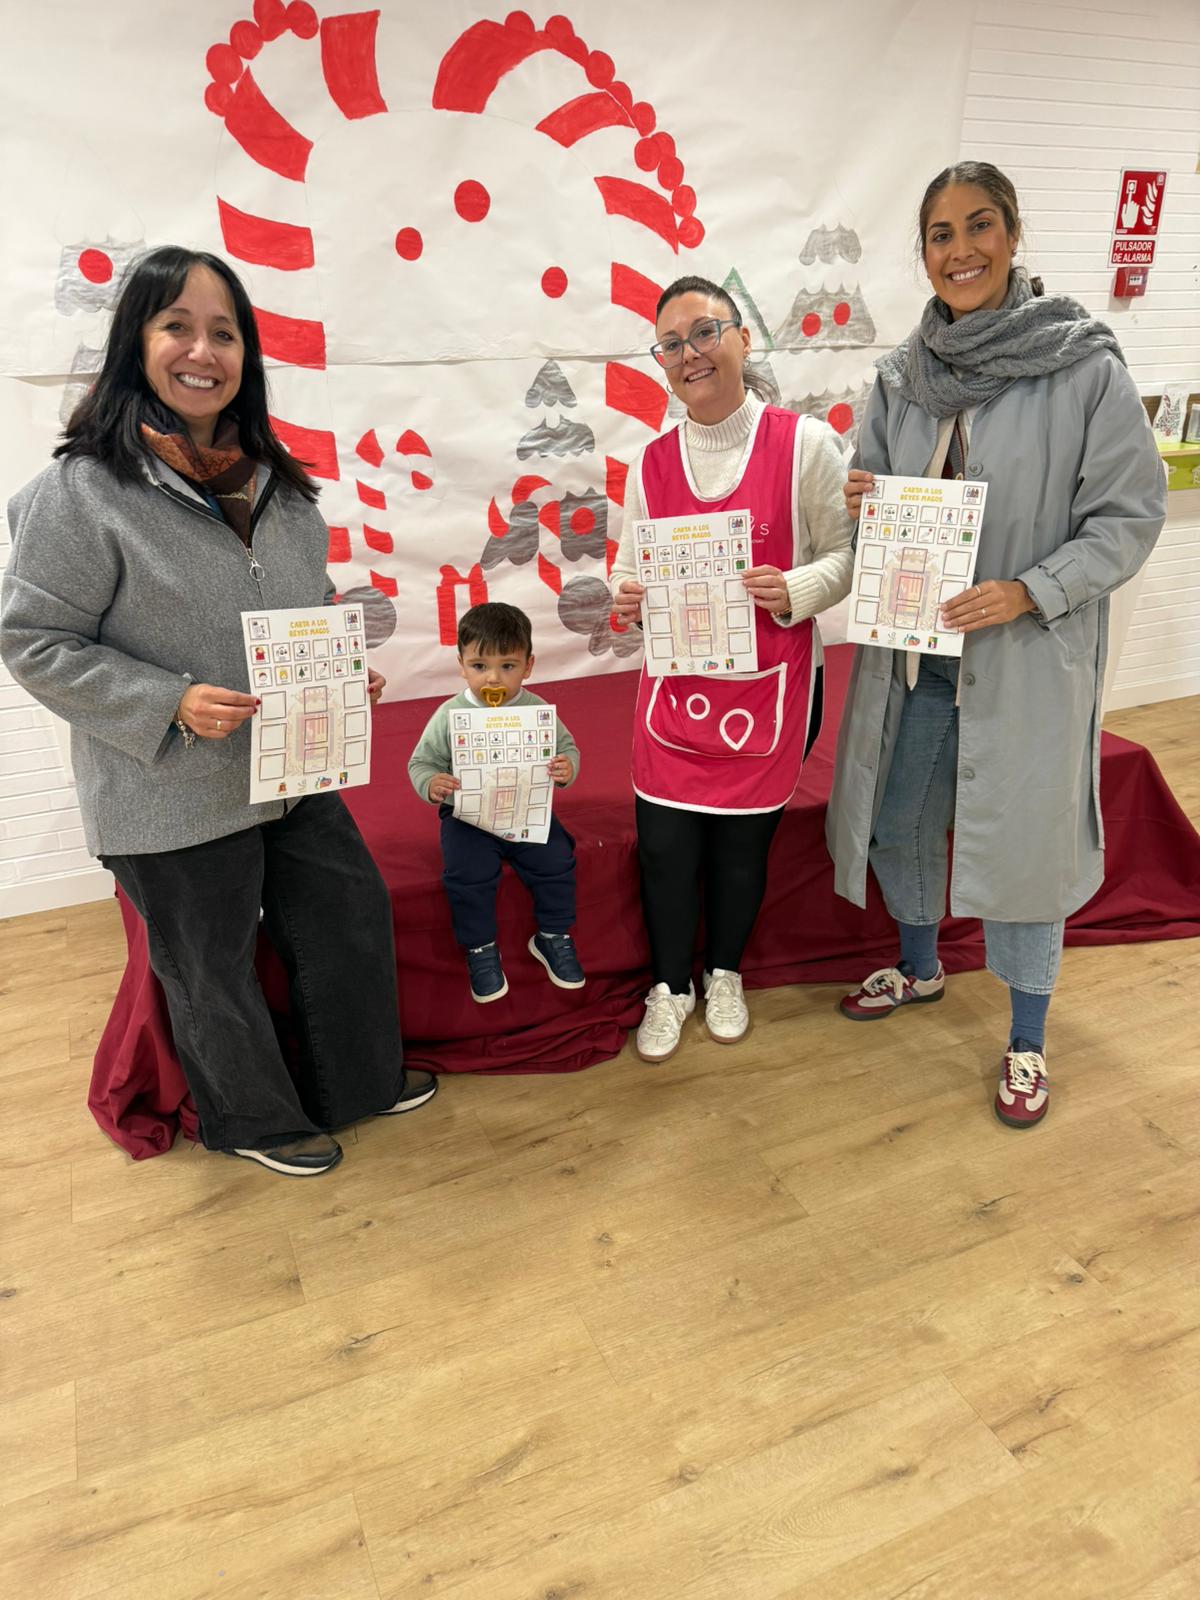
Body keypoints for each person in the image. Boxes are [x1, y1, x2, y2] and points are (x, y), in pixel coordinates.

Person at [1, 246, 437, 1177]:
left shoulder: (280, 486)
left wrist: (335, 668)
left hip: (289, 768)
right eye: (178, 327)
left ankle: (360, 1082)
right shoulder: (79, 492)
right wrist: (169, 702)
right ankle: (254, 1121)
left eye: (225, 333)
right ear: (137, 341)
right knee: (209, 968)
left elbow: (304, 601)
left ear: (248, 355)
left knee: (349, 912)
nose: (203, 351)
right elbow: (34, 640)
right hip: (167, 789)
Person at [827, 162, 1167, 1128]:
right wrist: (863, 500)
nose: (961, 249)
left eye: (980, 226)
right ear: (924, 252)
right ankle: (921, 967)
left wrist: (1030, 591)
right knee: (899, 822)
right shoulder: (904, 377)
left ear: (1013, 236)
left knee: (1024, 854)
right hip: (915, 663)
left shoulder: (1082, 367)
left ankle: (1026, 1038)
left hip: (1022, 664)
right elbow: (871, 505)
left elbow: (1129, 517)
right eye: (941, 234)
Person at [610, 275, 854, 1063]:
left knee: (742, 851)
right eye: (671, 344)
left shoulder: (804, 444)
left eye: (705, 332)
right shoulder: (649, 464)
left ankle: (724, 973)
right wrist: (626, 597)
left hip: (772, 690)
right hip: (675, 695)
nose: (690, 354)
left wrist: (796, 589)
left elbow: (847, 555)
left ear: (744, 338)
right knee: (664, 849)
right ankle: (668, 986)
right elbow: (628, 568)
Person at [408, 601, 584, 1003]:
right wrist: (431, 783)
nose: (493, 678)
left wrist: (566, 768)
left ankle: (553, 935)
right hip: (468, 817)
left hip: (526, 811)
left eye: (508, 666)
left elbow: (567, 748)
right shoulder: (449, 714)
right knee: (467, 874)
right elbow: (421, 762)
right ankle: (480, 948)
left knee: (557, 859)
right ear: (461, 666)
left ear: (529, 665)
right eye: (479, 665)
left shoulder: (536, 710)